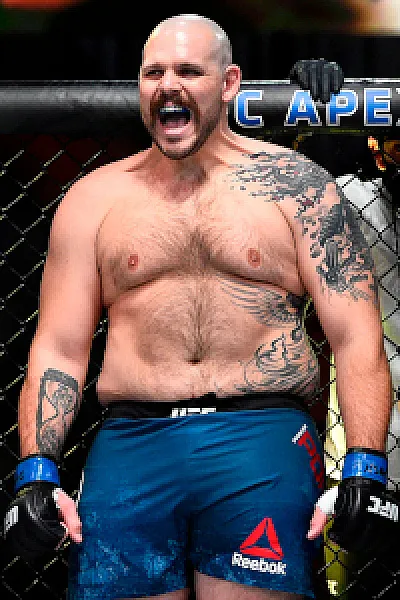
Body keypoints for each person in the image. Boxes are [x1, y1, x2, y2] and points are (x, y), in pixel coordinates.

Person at [3, 14, 398, 600]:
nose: (169, 85)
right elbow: (60, 347)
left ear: (229, 82)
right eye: (154, 73)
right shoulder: (93, 200)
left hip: (260, 436)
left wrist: (365, 466)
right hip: (133, 441)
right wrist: (36, 471)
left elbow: (356, 333)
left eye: (189, 71)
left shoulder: (298, 188)